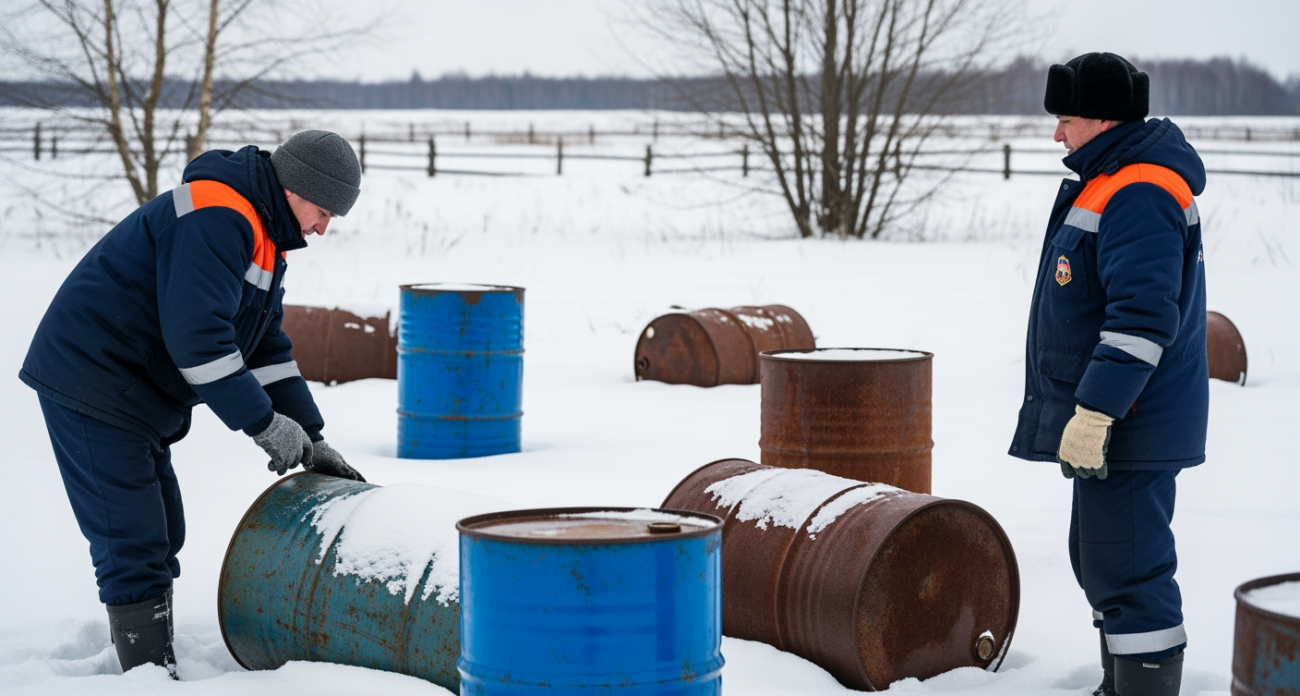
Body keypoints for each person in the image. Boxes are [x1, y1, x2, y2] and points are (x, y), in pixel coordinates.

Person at [19, 130, 367, 679]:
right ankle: (148, 676)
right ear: (293, 188)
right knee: (133, 537)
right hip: (92, 378)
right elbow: (199, 341)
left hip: (135, 391)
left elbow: (264, 347)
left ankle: (152, 658)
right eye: (323, 212)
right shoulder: (217, 215)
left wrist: (310, 436)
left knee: (164, 531)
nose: (323, 228)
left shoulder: (264, 235)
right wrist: (262, 423)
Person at [1008, 53, 1207, 696]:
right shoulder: (1109, 178)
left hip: (1131, 422)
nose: (1057, 134)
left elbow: (1141, 321)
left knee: (1130, 571)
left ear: (1101, 118)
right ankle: (1118, 683)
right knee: (1104, 560)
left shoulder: (1140, 189)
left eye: (1065, 119)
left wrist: (1095, 413)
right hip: (1121, 420)